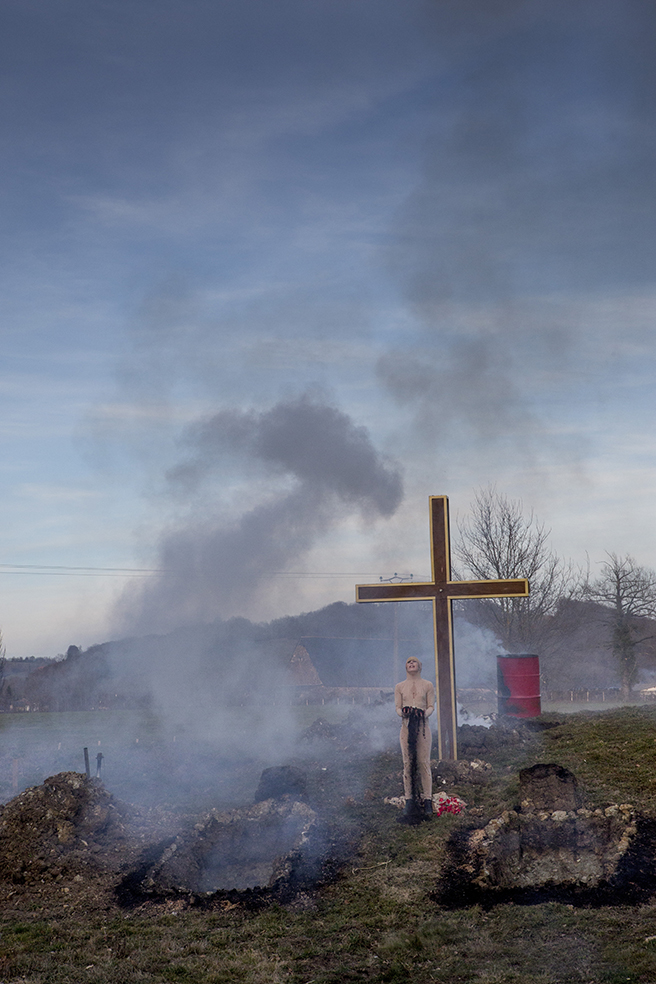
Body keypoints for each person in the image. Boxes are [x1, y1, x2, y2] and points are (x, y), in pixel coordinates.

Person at [394, 657, 435, 823]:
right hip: (406, 729)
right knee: (407, 763)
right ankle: (409, 799)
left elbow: (431, 706)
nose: (411, 664)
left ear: (419, 666)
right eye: (408, 663)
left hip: (423, 729)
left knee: (424, 762)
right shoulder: (399, 687)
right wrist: (404, 712)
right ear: (405, 667)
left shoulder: (428, 685)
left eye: (414, 663)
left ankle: (427, 800)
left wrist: (423, 713)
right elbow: (397, 707)